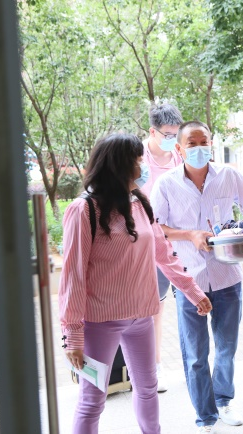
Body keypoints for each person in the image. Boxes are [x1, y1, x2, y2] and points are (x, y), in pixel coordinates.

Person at [58, 133, 212, 434]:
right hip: (100, 321)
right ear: (119, 166)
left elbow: (165, 255)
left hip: (142, 316)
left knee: (148, 388)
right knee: (92, 399)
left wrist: (193, 292)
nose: (144, 167)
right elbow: (72, 276)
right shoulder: (84, 210)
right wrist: (71, 336)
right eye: (138, 161)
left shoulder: (140, 203)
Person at [150, 120, 243, 434]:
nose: (200, 148)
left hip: (227, 276)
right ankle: (205, 416)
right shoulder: (166, 184)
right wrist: (189, 234)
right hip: (189, 280)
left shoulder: (229, 175)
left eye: (204, 142)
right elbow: (157, 227)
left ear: (211, 144)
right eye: (192, 143)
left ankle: (224, 400)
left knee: (227, 346)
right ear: (180, 148)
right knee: (196, 354)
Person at [140, 103, 185, 393]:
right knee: (152, 307)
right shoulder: (138, 157)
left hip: (178, 238)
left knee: (187, 303)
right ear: (152, 131)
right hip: (146, 241)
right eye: (166, 134)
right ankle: (152, 368)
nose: (171, 139)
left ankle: (190, 365)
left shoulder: (179, 155)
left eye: (174, 134)